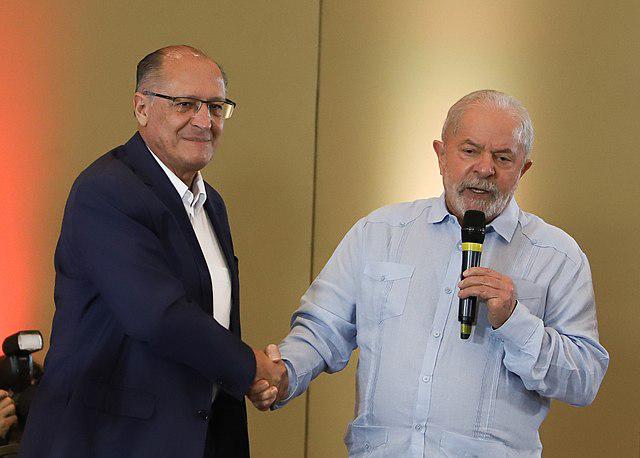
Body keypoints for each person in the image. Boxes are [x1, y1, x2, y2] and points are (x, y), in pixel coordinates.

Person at [249, 90, 609, 456]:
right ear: (441, 155)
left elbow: (584, 378)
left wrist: (515, 322)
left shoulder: (557, 256)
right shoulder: (380, 232)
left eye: (503, 158)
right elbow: (322, 330)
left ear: (523, 169)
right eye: (470, 151)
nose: (485, 169)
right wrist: (283, 374)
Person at [20, 45, 285, 458]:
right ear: (142, 108)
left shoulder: (211, 203)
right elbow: (159, 315)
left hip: (195, 437)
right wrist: (252, 369)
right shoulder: (106, 189)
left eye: (216, 107)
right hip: (109, 440)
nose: (204, 121)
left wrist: (250, 376)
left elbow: (211, 318)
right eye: (186, 104)